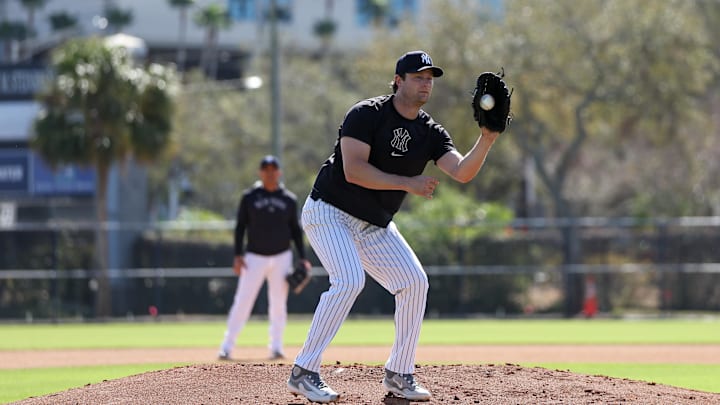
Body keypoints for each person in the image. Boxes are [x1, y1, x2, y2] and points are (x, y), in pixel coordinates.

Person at [286, 50, 502, 403]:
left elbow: (462, 171)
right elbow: (354, 170)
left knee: (414, 282)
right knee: (349, 280)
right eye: (418, 77)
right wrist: (408, 183)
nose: (425, 84)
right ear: (398, 80)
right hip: (329, 211)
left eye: (430, 78)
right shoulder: (366, 114)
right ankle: (304, 371)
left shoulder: (429, 131)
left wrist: (487, 138)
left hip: (374, 225)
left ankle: (399, 373)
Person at [218, 155, 310, 361]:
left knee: (278, 304)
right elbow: (240, 227)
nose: (270, 172)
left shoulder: (288, 199)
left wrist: (302, 258)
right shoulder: (250, 197)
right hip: (254, 257)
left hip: (282, 257)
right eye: (266, 169)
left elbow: (296, 230)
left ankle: (276, 347)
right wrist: (237, 255)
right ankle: (227, 346)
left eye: (273, 169)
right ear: (261, 172)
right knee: (243, 301)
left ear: (279, 172)